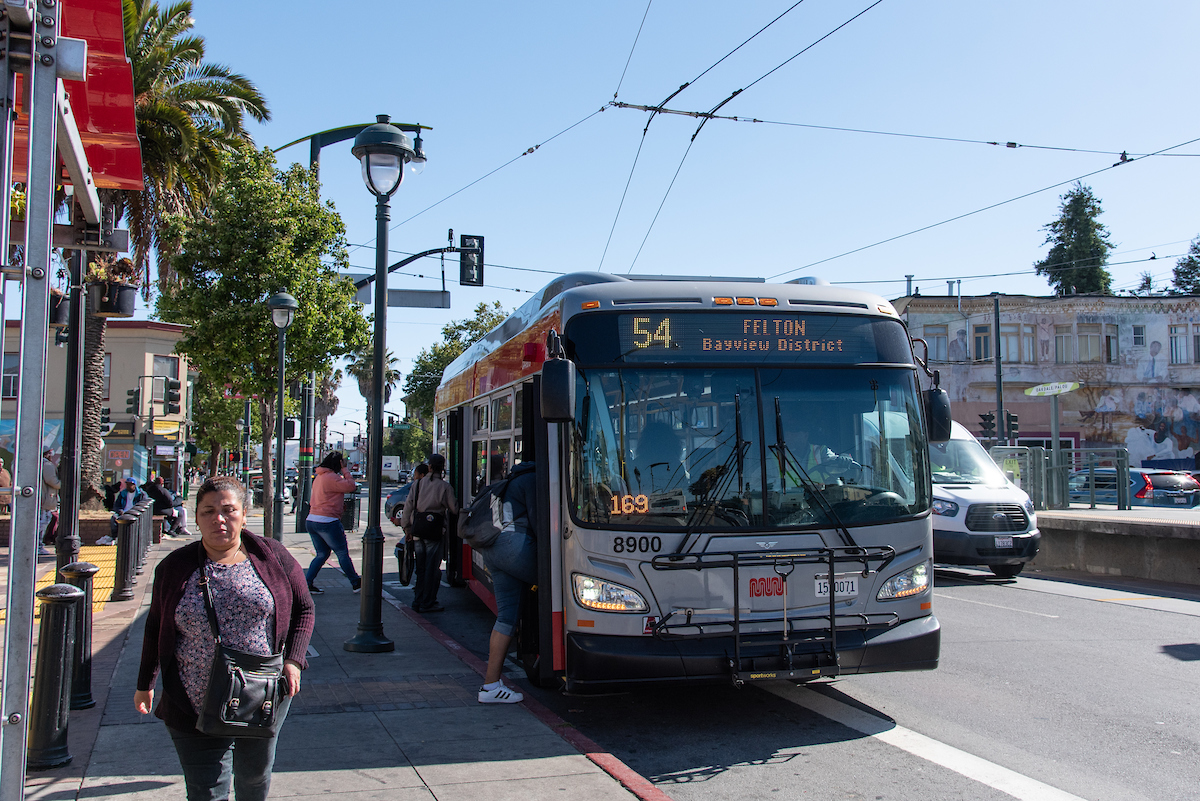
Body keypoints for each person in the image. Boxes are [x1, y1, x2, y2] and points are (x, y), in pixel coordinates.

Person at [135, 475, 313, 801]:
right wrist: (146, 682)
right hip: (191, 703)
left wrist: (294, 661)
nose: (219, 518)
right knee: (206, 793)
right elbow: (156, 625)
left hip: (261, 697)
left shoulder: (272, 556)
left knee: (253, 783)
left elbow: (304, 608)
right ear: (197, 516)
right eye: (208, 511)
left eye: (229, 510)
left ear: (245, 514)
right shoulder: (175, 567)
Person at [477, 458, 537, 703]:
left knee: (506, 618)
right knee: (564, 587)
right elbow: (540, 522)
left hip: (493, 548)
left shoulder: (511, 480)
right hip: (515, 547)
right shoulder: (533, 480)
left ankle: (491, 686)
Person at [401, 453, 458, 613]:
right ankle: (428, 601)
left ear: (429, 467)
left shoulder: (418, 485)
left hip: (418, 530)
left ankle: (418, 600)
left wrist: (407, 528)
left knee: (421, 567)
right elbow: (454, 508)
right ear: (442, 468)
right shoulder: (445, 487)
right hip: (435, 531)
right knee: (432, 568)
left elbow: (408, 507)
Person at [304, 452, 361, 595]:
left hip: (312, 519)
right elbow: (351, 486)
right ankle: (355, 582)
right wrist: (345, 470)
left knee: (322, 554)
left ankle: (307, 583)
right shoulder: (333, 478)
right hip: (328, 521)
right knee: (342, 553)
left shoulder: (319, 477)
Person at [101, 475, 147, 545]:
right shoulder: (123, 493)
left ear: (134, 485)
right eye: (127, 484)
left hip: (135, 512)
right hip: (124, 512)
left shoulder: (141, 494)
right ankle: (115, 537)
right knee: (114, 518)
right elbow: (116, 505)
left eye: (130, 484)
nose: (128, 486)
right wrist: (119, 510)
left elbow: (144, 504)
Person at [39, 448, 60, 556]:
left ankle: (38, 545)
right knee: (42, 522)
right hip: (45, 498)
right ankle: (38, 546)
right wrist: (61, 483)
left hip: (40, 498)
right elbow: (52, 481)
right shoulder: (46, 465)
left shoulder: (35, 463)